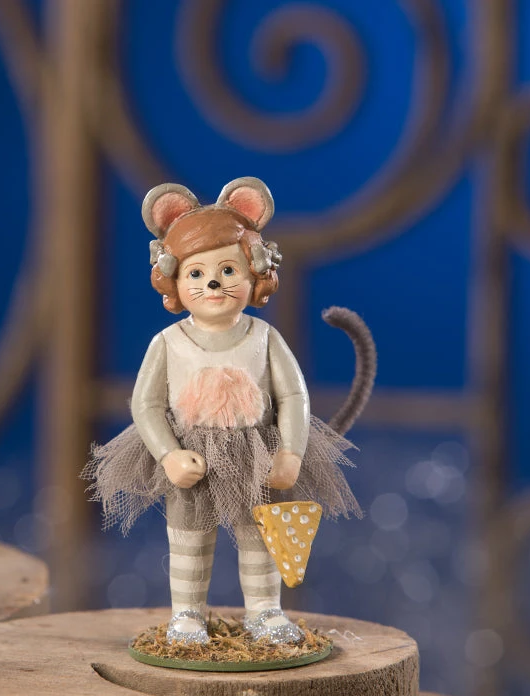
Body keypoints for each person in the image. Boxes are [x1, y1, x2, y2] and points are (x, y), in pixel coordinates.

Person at [84, 178, 362, 645]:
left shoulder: (264, 337)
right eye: (195, 273)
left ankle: (265, 611)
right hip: (192, 451)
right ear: (173, 281)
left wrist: (290, 451)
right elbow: (146, 404)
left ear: (255, 275)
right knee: (188, 535)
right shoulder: (168, 342)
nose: (212, 283)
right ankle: (187, 613)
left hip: (256, 452)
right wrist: (169, 454)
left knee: (260, 533)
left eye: (228, 269)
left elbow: (293, 396)